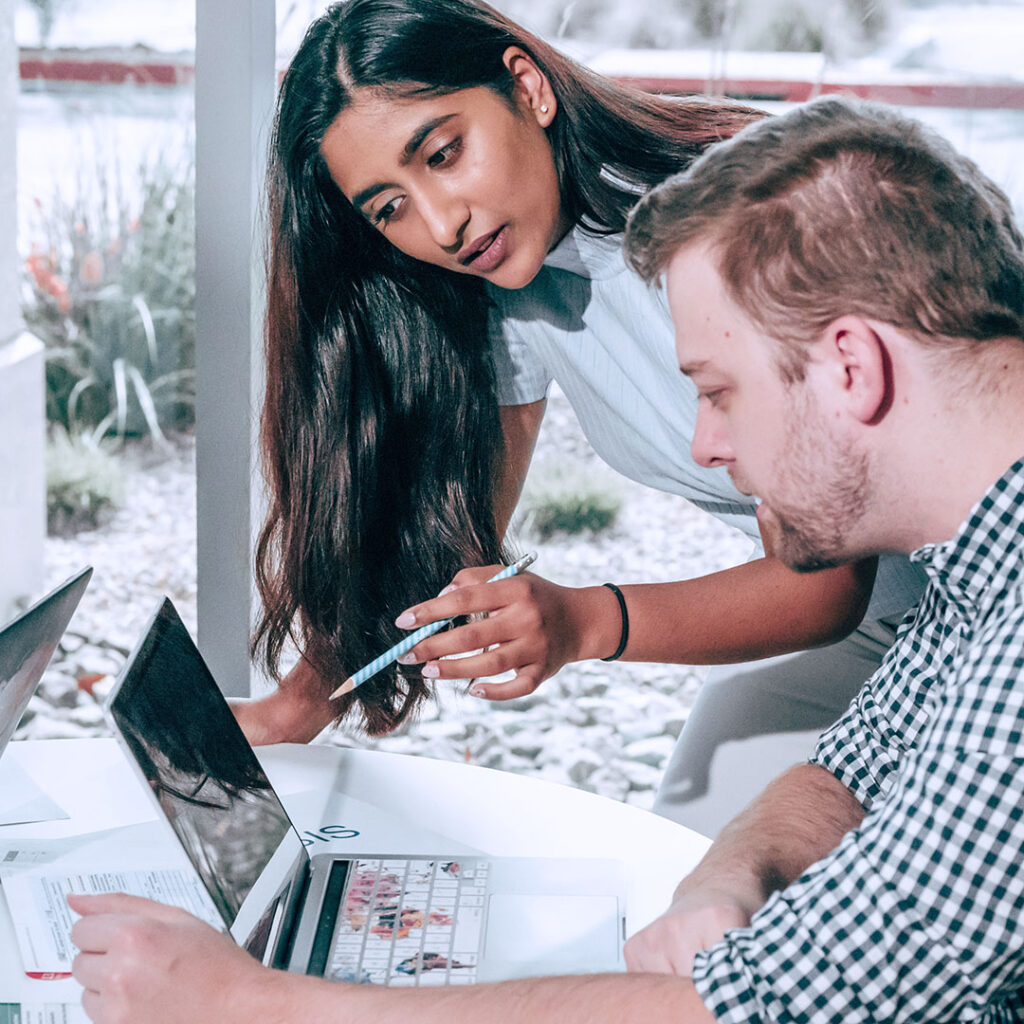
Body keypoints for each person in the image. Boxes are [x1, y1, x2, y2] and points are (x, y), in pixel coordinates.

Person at [70, 96, 1024, 1022]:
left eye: (717, 393)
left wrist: (249, 1003)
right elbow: (860, 760)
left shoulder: (1005, 675)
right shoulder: (972, 578)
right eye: (390, 207)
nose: (704, 452)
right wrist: (731, 874)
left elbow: (778, 1002)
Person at [234, 0, 926, 836]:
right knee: (690, 873)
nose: (441, 224)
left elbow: (822, 585)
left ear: (527, 86)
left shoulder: (735, 222)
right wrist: (295, 705)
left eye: (444, 153)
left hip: (988, 609)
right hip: (883, 621)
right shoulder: (512, 281)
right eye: (390, 209)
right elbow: (452, 531)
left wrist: (582, 621)